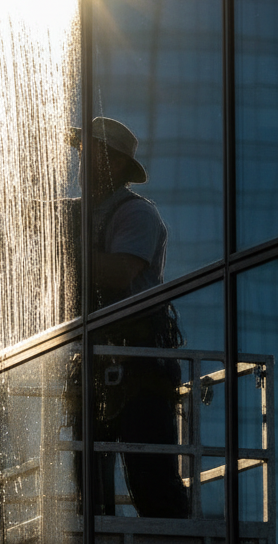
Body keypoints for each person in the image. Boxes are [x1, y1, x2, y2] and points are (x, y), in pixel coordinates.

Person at [71, 116, 188, 520]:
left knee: (153, 484)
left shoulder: (137, 215)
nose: (83, 163)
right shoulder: (81, 214)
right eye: (84, 153)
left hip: (139, 364)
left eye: (93, 154)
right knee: (90, 495)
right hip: (96, 363)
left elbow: (121, 272)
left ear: (117, 164)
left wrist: (62, 252)